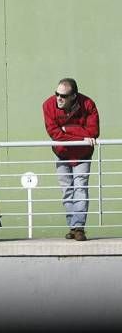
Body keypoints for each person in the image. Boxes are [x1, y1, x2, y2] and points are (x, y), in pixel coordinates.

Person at [42, 78, 99, 241]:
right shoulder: (48, 105)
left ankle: (79, 227)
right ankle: (73, 227)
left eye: (63, 96)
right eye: (56, 94)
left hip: (82, 154)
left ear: (73, 96)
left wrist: (67, 130)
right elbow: (55, 134)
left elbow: (93, 131)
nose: (58, 98)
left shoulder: (88, 104)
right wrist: (82, 134)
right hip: (62, 153)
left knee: (80, 188)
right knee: (67, 191)